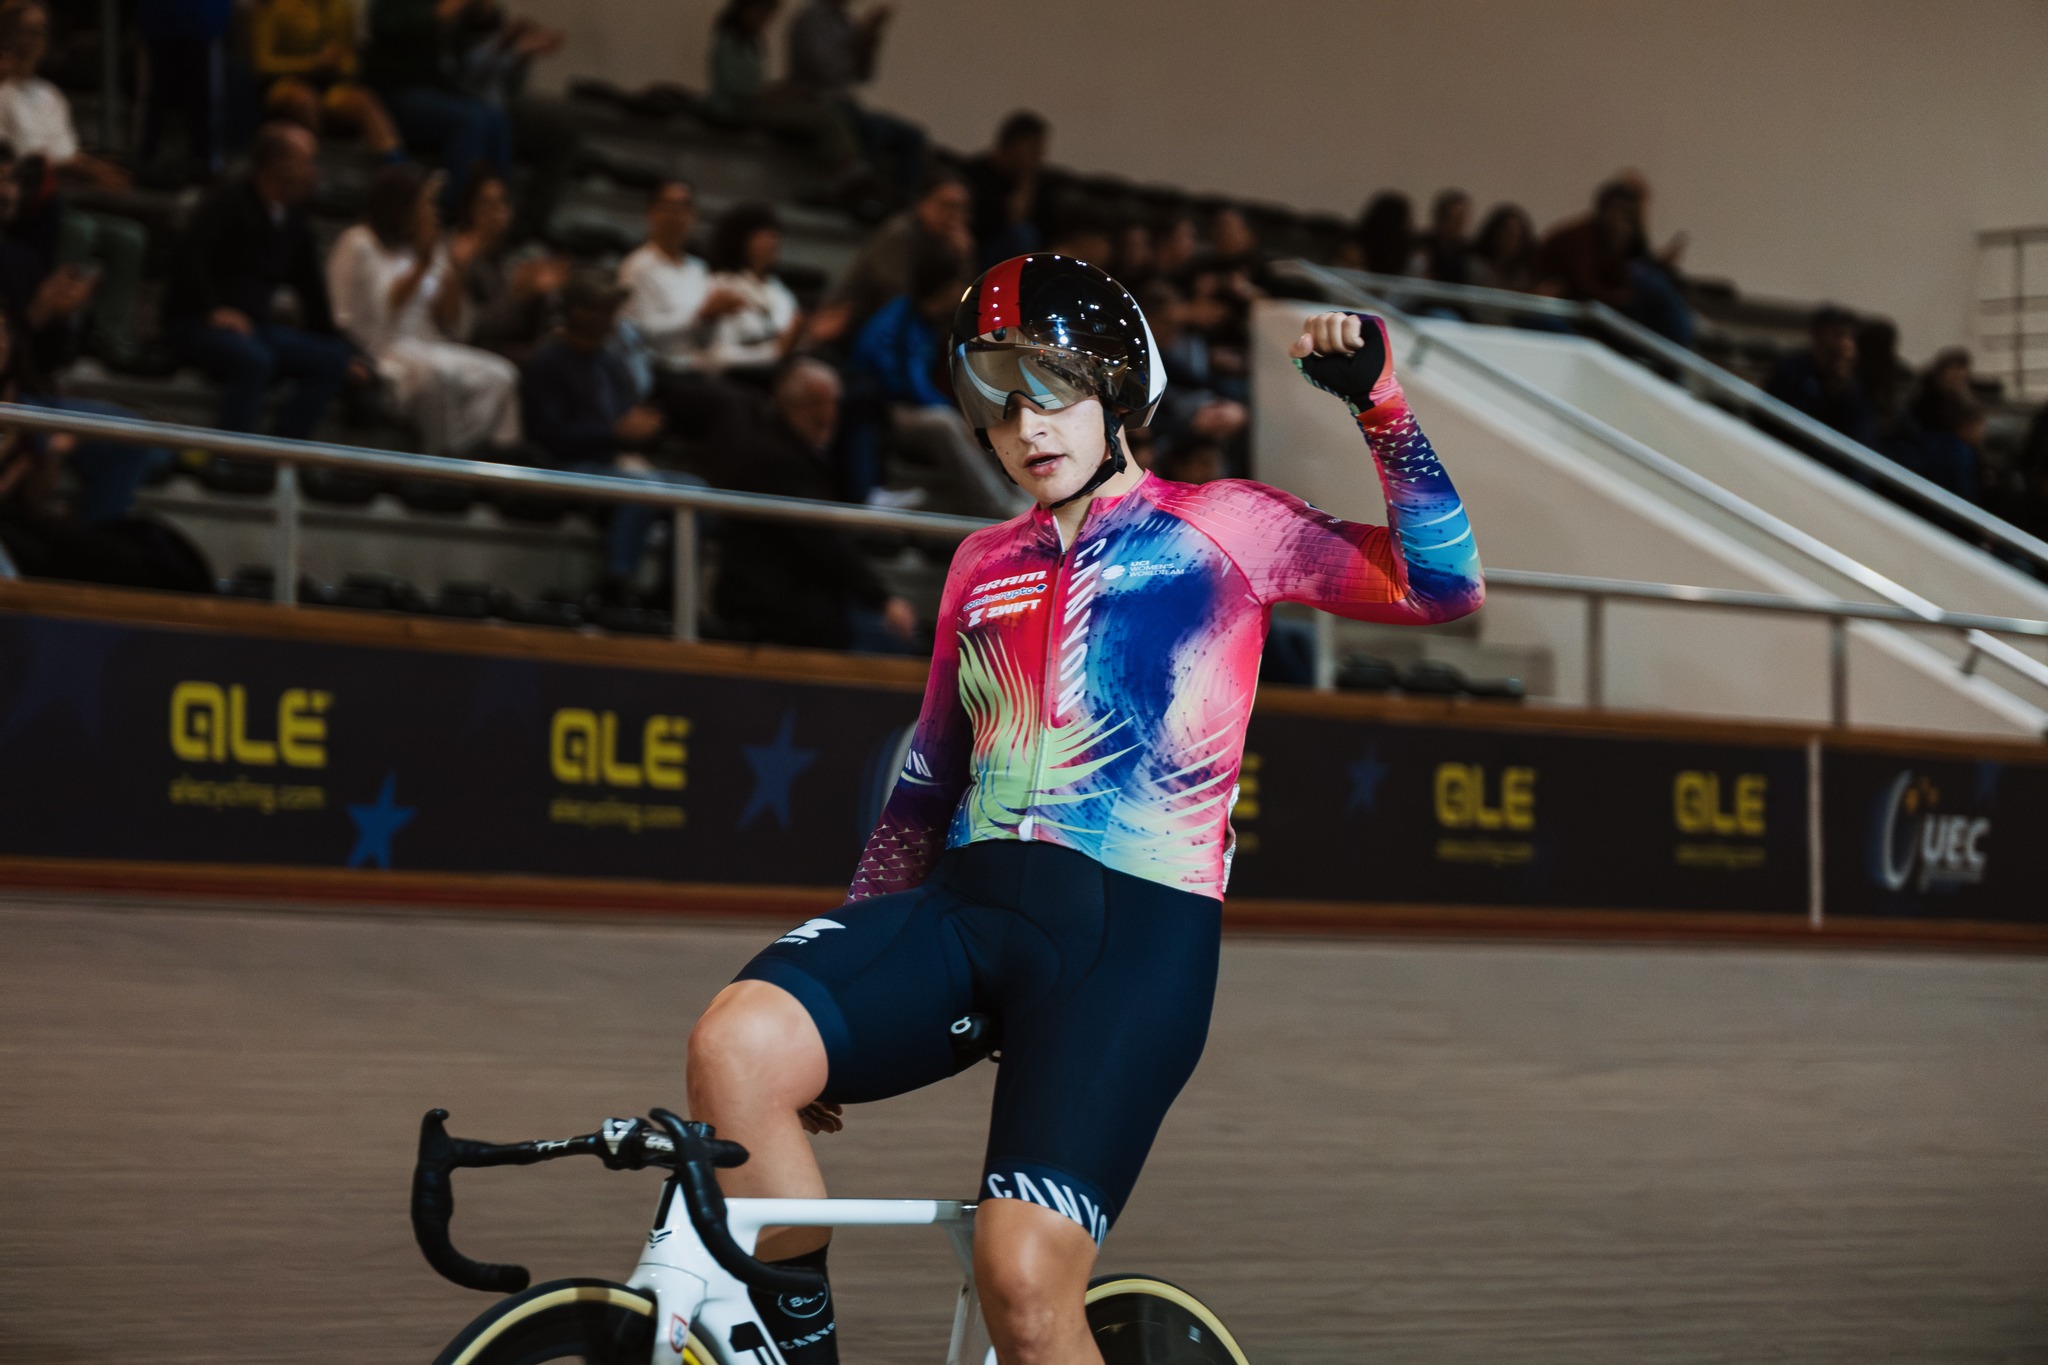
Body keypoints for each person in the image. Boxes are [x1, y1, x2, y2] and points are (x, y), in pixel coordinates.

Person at [685, 255, 1483, 1365]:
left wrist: (1378, 407)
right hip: (964, 914)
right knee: (739, 1047)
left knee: (1020, 1282)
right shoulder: (980, 563)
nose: (1023, 428)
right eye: (993, 404)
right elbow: (926, 779)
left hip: (1130, 945)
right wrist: (852, 959)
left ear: (1117, 393)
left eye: (1048, 390)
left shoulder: (1225, 527)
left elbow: (1444, 585)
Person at [163, 122, 357, 439]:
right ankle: (233, 454)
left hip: (255, 327)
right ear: (277, 163)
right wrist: (212, 310)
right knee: (254, 360)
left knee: (331, 360)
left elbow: (312, 291)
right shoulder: (227, 202)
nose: (313, 171)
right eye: (306, 161)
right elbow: (188, 261)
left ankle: (285, 450)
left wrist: (347, 352)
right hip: (197, 322)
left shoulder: (294, 219)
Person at [713, 355, 918, 652]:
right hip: (777, 608)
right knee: (898, 644)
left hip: (788, 597)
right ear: (817, 406)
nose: (836, 414)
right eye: (832, 403)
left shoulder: (780, 447)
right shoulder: (780, 459)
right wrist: (882, 599)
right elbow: (824, 540)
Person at [523, 270, 706, 596]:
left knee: (696, 490)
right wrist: (614, 432)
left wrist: (646, 428)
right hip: (566, 467)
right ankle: (617, 584)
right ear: (580, 313)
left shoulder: (610, 362)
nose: (612, 319)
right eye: (604, 310)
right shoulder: (547, 361)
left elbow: (627, 419)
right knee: (642, 488)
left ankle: (675, 593)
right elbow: (548, 435)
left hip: (615, 462)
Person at [326, 163, 521, 455]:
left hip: (428, 346)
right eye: (427, 203)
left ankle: (486, 456)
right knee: (440, 377)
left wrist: (455, 270)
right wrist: (424, 263)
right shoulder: (360, 242)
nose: (434, 211)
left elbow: (456, 325)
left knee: (502, 376)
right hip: (380, 349)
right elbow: (382, 311)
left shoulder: (422, 248)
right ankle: (440, 459)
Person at [0, 1, 146, 367]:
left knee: (128, 238)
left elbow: (64, 152)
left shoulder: (48, 95)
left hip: (45, 201)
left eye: (38, 33)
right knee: (79, 229)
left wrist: (98, 169)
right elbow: (26, 155)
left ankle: (110, 335)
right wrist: (93, 170)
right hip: (15, 204)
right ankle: (54, 323)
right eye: (23, 31)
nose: (30, 41)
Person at [847, 235, 1023, 516]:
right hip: (885, 410)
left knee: (987, 415)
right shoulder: (901, 320)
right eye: (957, 283)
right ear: (943, 286)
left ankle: (1021, 492)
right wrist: (952, 411)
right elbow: (906, 383)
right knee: (945, 423)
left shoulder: (931, 323)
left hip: (911, 405)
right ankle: (997, 506)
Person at [360, 0, 513, 216]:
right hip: (398, 90)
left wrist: (483, 11)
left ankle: (495, 212)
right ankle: (455, 214)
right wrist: (447, 10)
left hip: (441, 90)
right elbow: (393, 23)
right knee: (470, 120)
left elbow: (486, 24)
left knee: (496, 119)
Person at [706, 0, 865, 191]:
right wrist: (767, 93)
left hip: (753, 104)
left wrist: (781, 91)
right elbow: (733, 85)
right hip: (736, 108)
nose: (766, 21)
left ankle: (844, 168)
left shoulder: (753, 42)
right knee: (824, 118)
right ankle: (849, 171)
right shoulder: (729, 40)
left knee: (828, 112)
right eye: (764, 14)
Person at [784, 0, 924, 205]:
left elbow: (863, 75)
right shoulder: (812, 18)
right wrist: (855, 41)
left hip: (845, 101)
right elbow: (823, 71)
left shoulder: (845, 22)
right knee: (873, 131)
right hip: (817, 99)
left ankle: (899, 203)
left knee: (913, 137)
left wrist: (871, 38)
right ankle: (860, 196)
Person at [1538, 179, 1694, 346]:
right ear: (1603, 209)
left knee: (1652, 285)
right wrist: (1618, 298)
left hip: (1592, 306)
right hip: (1558, 305)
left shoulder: (1618, 240)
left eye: (1627, 212)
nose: (1620, 217)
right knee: (1647, 283)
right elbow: (1583, 284)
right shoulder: (1582, 236)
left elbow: (1621, 280)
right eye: (1617, 209)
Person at [248, 0, 403, 157]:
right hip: (282, 81)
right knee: (304, 100)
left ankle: (395, 159)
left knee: (363, 99)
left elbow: (350, 59)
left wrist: (341, 63)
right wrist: (312, 63)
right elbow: (262, 64)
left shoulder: (340, 7)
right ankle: (308, 161)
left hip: (327, 82)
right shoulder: (273, 6)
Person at [827, 167, 972, 336]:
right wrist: (938, 306)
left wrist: (964, 258)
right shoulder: (900, 233)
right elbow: (895, 299)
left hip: (911, 329)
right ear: (923, 202)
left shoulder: (954, 242)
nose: (953, 215)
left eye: (961, 209)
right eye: (946, 205)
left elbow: (964, 297)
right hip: (861, 326)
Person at [447, 167, 567, 365]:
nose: (496, 211)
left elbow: (551, 315)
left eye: (503, 202)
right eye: (486, 203)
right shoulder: (460, 255)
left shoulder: (529, 253)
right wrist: (519, 296)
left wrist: (547, 296)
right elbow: (470, 328)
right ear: (469, 208)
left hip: (527, 346)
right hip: (481, 352)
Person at [704, 201, 802, 377]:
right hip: (738, 378)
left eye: (775, 236)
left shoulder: (781, 293)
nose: (773, 242)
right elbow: (718, 356)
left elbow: (789, 343)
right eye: (764, 236)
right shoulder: (721, 285)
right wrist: (774, 351)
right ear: (741, 240)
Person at [1765, 306, 1875, 446]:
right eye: (1838, 334)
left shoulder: (1855, 382)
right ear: (1818, 334)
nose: (1844, 343)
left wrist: (1843, 387)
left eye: (1849, 336)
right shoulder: (1792, 371)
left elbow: (1862, 432)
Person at [964, 109, 1051, 269]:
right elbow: (1011, 218)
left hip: (1011, 251)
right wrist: (1026, 181)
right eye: (1033, 148)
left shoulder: (1041, 183)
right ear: (1013, 144)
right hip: (978, 247)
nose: (1039, 156)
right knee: (1023, 235)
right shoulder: (975, 175)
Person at [1418, 188, 1472, 284]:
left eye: (1462, 219)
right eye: (1455, 218)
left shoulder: (1468, 253)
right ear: (1440, 217)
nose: (1458, 224)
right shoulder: (1421, 247)